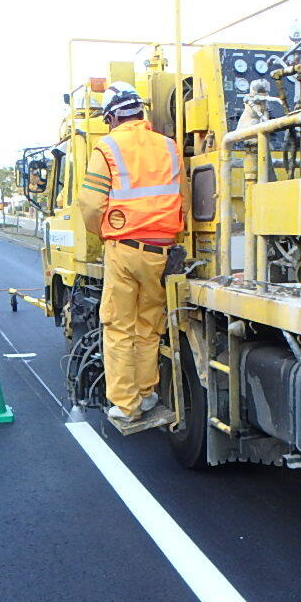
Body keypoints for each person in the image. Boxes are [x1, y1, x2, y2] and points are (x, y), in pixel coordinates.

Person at [78, 82, 187, 424]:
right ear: (141, 112)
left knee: (118, 326)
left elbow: (91, 204)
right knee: (148, 325)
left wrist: (105, 233)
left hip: (124, 249)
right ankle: (147, 393)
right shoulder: (169, 147)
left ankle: (126, 405)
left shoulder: (107, 147)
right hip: (161, 251)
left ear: (111, 116)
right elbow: (179, 196)